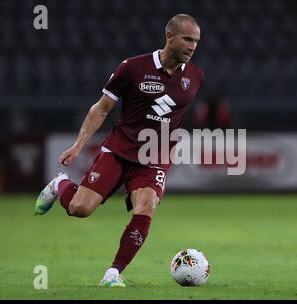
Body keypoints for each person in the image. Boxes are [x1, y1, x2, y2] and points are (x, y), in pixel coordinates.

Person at [34, 14, 203, 288]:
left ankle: (113, 273)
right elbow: (101, 108)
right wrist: (78, 145)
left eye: (196, 41)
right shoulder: (133, 68)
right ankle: (59, 184)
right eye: (187, 39)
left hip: (153, 158)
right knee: (79, 209)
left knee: (147, 206)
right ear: (169, 36)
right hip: (119, 150)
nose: (192, 46)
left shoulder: (195, 77)